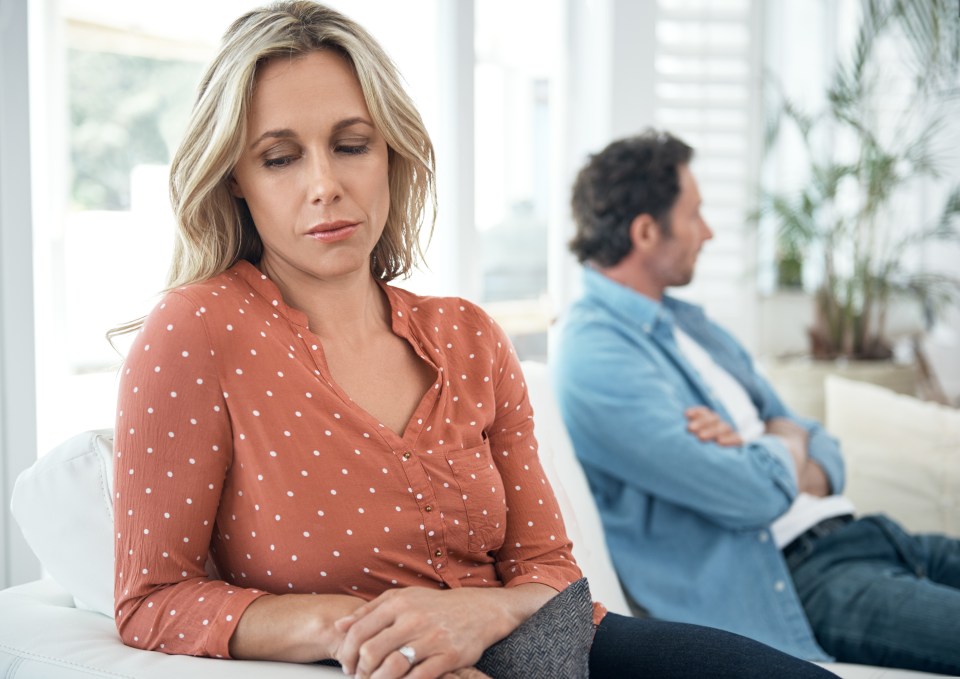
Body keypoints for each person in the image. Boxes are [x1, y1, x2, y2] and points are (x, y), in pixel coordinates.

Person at [112, 5, 838, 678]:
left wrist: (476, 614)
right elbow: (151, 598)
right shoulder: (199, 329)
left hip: (564, 646)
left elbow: (551, 570)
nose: (325, 184)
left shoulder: (467, 335)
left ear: (390, 153)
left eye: (351, 144)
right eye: (280, 157)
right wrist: (358, 630)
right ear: (236, 176)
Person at [552, 129, 960, 675]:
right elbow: (750, 493)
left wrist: (772, 443)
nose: (709, 232)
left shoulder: (692, 326)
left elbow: (816, 437)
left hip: (865, 533)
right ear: (646, 231)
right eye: (694, 215)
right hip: (803, 576)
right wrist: (782, 443)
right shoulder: (596, 354)